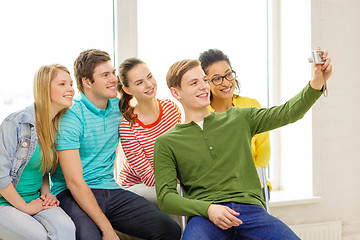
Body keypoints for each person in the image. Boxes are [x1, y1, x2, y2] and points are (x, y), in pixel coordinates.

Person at [154, 48, 332, 239]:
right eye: (194, 83)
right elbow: (166, 198)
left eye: (204, 80)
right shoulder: (166, 142)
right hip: (205, 217)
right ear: (176, 92)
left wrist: (316, 83)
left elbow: (287, 113)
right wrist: (208, 209)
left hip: (251, 213)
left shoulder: (239, 118)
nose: (203, 87)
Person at [50, 49, 181, 240]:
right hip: (72, 193)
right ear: (87, 82)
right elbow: (74, 182)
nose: (114, 79)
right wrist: (107, 228)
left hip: (110, 189)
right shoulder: (71, 117)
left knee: (169, 230)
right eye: (105, 75)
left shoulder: (118, 109)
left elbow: (145, 115)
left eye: (113, 73)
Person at [0, 64, 76, 240]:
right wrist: (25, 208)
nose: (70, 89)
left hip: (35, 199)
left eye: (71, 84)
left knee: (67, 229)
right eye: (62, 84)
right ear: (44, 88)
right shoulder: (16, 123)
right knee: (39, 236)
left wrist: (46, 193)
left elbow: (41, 169)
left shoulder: (55, 126)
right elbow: (1, 175)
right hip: (4, 203)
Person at [199, 48, 272, 194]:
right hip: (218, 189)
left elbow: (264, 149)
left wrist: (253, 176)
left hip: (255, 183)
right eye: (217, 78)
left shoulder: (252, 105)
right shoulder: (202, 115)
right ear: (206, 82)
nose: (226, 83)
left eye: (228, 74)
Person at [117, 57, 181, 204]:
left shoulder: (171, 108)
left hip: (170, 180)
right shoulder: (128, 126)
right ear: (127, 89)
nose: (149, 84)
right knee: (181, 194)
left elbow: (181, 153)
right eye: (139, 83)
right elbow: (149, 178)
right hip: (137, 186)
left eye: (149, 76)